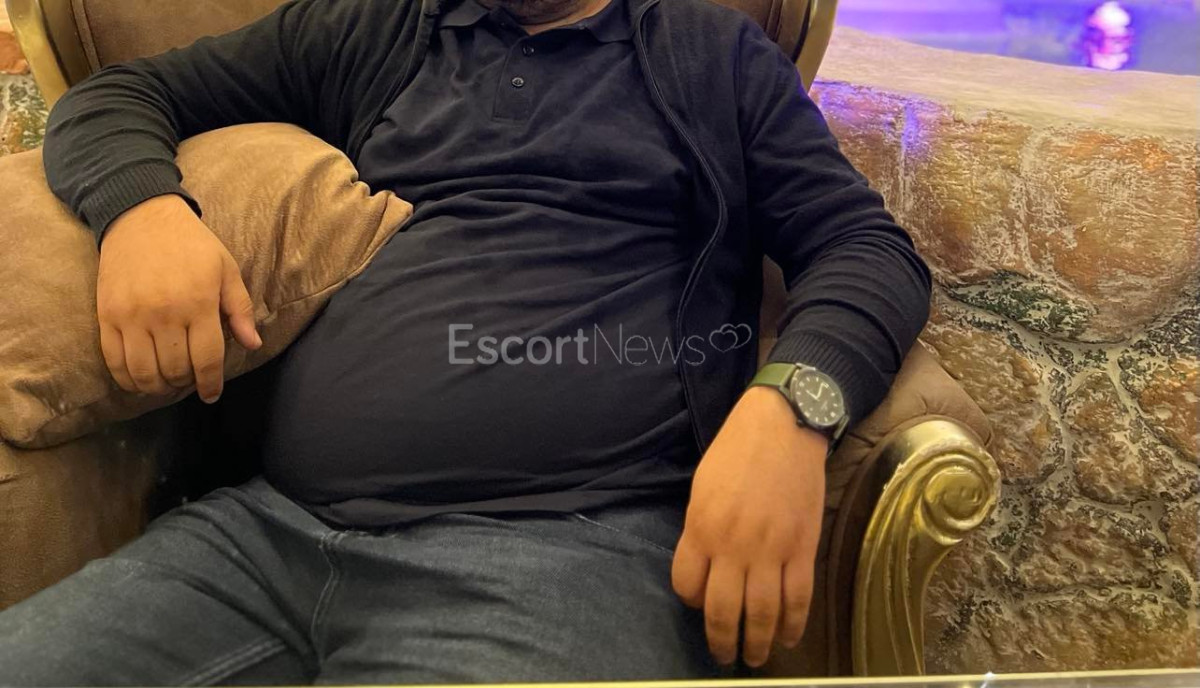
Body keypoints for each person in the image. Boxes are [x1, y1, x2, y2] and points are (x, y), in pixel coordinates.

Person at [0, 0, 931, 682]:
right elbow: (121, 95)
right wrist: (143, 213)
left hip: (563, 555)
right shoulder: (378, 29)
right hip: (262, 535)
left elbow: (863, 247)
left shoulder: (710, 56)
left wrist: (792, 410)